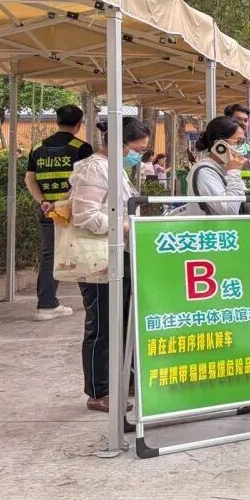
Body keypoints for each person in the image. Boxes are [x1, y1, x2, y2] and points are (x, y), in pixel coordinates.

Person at [69, 116, 151, 413]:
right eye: (136, 150)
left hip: (120, 255)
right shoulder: (94, 169)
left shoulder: (115, 169)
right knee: (102, 324)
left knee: (123, 320)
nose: (138, 156)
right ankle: (98, 390)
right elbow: (85, 216)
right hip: (99, 259)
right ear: (118, 144)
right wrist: (125, 226)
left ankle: (126, 378)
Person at [24, 105, 94, 321]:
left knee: (49, 256)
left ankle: (46, 305)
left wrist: (45, 202)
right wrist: (62, 202)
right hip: (74, 211)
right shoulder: (82, 148)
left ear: (57, 121)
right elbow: (85, 181)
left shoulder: (37, 148)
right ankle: (91, 302)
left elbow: (29, 179)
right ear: (79, 124)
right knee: (83, 252)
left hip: (48, 211)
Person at [183, 117, 250, 216]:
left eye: (243, 142)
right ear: (219, 146)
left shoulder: (225, 168)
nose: (242, 148)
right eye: (238, 142)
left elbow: (244, 199)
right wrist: (234, 172)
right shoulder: (204, 172)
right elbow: (230, 211)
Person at [223, 103, 250, 192]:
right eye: (238, 119)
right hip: (232, 190)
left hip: (247, 192)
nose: (243, 123)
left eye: (246, 120)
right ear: (228, 120)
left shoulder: (248, 144)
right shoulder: (225, 144)